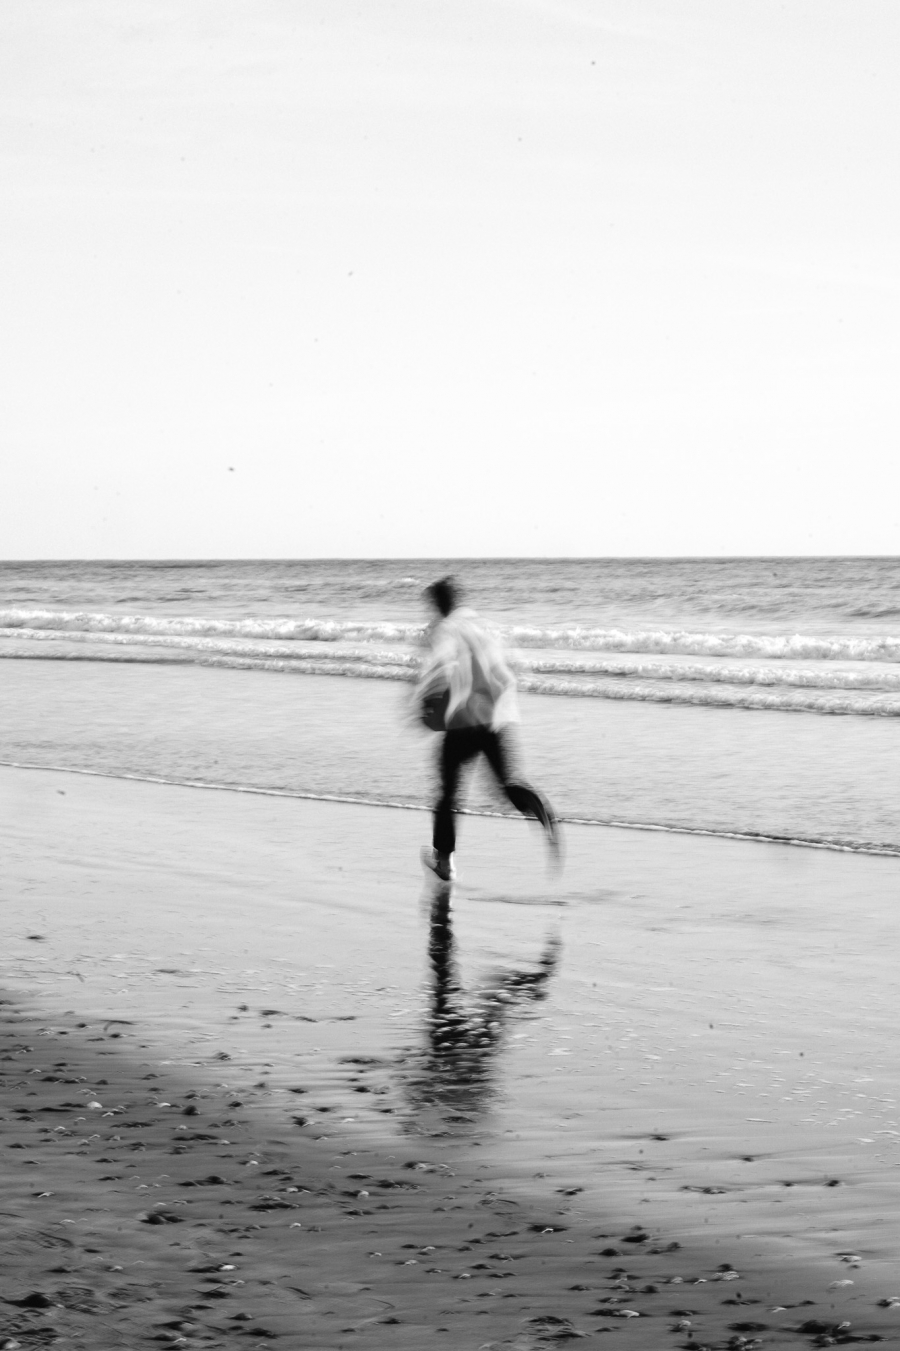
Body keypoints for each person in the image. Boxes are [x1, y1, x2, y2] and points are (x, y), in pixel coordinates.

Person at [415, 576, 560, 882]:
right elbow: (511, 665)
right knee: (507, 785)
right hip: (496, 718)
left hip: (463, 722)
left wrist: (424, 706)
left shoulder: (444, 629)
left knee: (447, 794)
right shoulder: (482, 626)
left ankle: (444, 862)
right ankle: (540, 809)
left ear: (438, 604)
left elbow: (441, 667)